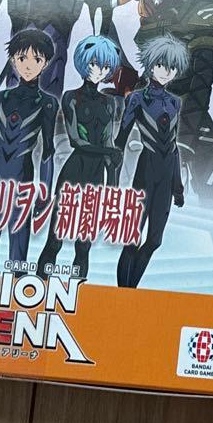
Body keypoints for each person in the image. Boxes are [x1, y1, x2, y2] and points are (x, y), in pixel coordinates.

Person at [37, 35, 126, 279]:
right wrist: (109, 152)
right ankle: (37, 286)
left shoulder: (110, 103)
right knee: (55, 240)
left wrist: (112, 190)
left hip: (97, 177)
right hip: (74, 171)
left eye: (106, 66)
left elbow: (108, 143)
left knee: (83, 246)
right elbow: (76, 140)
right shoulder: (70, 97)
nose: (100, 70)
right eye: (95, 64)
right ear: (84, 63)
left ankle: (78, 292)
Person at [0, 29, 58, 264]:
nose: (28, 65)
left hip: (23, 182)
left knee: (18, 254)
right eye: (22, 58)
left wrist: (45, 192)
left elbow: (47, 152)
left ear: (45, 63)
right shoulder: (1, 98)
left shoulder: (48, 103)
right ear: (13, 60)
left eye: (36, 59)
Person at [115, 33, 189, 289]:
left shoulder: (175, 102)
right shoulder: (136, 98)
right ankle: (122, 294)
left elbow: (173, 145)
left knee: (154, 241)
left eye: (171, 67)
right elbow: (121, 138)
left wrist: (178, 188)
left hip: (167, 174)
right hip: (145, 169)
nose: (166, 71)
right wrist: (112, 177)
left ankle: (131, 290)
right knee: (131, 238)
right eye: (161, 65)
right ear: (151, 65)